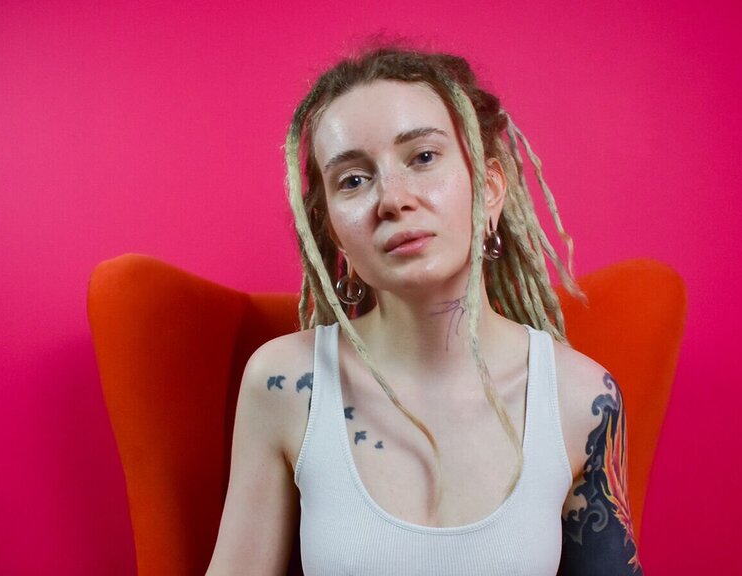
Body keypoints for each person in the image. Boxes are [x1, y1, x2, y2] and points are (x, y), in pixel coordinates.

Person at [206, 46, 643, 575]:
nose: (393, 199)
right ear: (333, 232)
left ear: (489, 189)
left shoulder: (581, 400)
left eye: (423, 157)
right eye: (353, 180)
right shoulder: (286, 384)